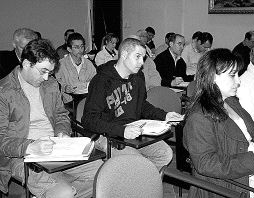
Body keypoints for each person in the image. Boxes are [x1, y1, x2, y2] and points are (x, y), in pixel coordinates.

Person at [183, 48, 254, 198]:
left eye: (238, 75)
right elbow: (205, 163)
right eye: (232, 76)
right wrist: (252, 161)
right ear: (212, 77)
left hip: (250, 171)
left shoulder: (231, 101)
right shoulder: (199, 116)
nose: (238, 81)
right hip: (233, 183)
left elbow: (247, 134)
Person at [0, 39, 103, 198]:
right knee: (65, 193)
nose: (47, 78)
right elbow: (1, 140)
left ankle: (54, 190)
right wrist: (30, 147)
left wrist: (62, 133)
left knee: (104, 174)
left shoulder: (51, 84)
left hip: (56, 149)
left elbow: (61, 114)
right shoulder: (4, 91)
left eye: (50, 72)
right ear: (27, 64)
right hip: (21, 156)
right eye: (43, 71)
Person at [82, 38, 182, 171]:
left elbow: (142, 106)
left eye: (143, 58)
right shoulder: (101, 81)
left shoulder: (138, 77)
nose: (142, 62)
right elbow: (89, 120)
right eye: (138, 57)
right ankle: (133, 184)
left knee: (165, 154)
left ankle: (141, 185)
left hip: (133, 131)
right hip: (107, 134)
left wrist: (165, 115)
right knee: (137, 163)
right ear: (124, 55)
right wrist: (122, 131)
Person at [55, 32, 97, 104]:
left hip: (87, 100)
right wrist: (65, 87)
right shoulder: (61, 64)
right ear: (69, 49)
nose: (80, 50)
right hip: (69, 102)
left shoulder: (89, 64)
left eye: (82, 46)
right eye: (76, 47)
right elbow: (57, 82)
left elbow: (95, 81)